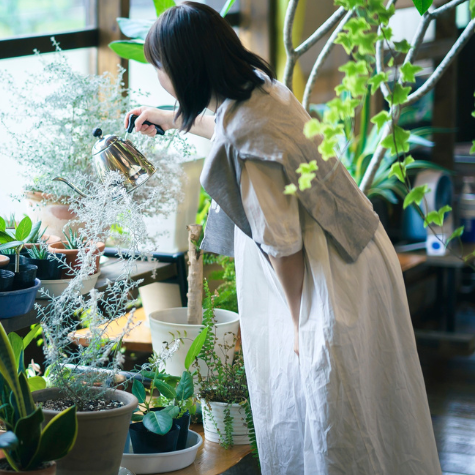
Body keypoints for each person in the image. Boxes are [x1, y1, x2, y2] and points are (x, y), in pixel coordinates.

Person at [125, 2, 441, 474]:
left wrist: (298, 326)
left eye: (160, 67)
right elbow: (232, 126)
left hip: (325, 282)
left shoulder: (245, 143)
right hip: (358, 252)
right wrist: (172, 118)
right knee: (377, 409)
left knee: (330, 421)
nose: (158, 77)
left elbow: (283, 245)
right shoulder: (261, 89)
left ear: (186, 69)